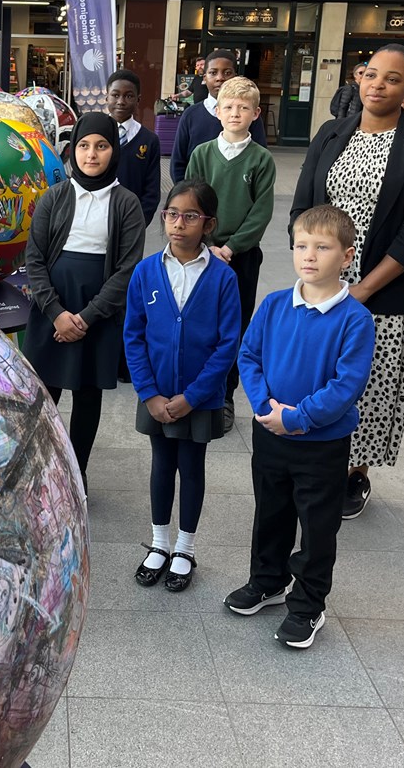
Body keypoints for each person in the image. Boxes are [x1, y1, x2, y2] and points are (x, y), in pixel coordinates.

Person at [290, 43, 404, 520]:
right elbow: (302, 207)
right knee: (317, 375)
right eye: (371, 74)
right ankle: (318, 462)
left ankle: (355, 473)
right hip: (320, 286)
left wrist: (359, 291)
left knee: (369, 382)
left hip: (380, 291)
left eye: (392, 78)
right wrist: (313, 264)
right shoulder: (331, 132)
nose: (378, 85)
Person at [227, 205, 375, 648]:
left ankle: (309, 604)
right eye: (300, 245)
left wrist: (296, 418)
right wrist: (264, 405)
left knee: (317, 525)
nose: (308, 255)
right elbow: (249, 356)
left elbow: (346, 385)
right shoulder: (274, 305)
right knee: (270, 513)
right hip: (270, 434)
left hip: (321, 444)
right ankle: (267, 581)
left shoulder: (354, 319)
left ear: (346, 256)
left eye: (322, 247)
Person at [125, 180, 241, 593]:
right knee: (161, 463)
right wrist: (149, 393)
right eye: (172, 214)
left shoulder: (223, 278)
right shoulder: (146, 271)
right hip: (155, 393)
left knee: (191, 468)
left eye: (190, 216)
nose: (178, 223)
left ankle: (185, 549)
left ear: (208, 224)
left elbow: (229, 343)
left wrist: (192, 397)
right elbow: (133, 335)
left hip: (200, 398)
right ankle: (158, 543)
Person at [23, 112, 146, 491]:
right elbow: (35, 259)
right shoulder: (55, 197)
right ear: (73, 149)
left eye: (102, 146)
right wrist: (58, 314)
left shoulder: (126, 204)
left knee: (88, 396)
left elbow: (126, 270)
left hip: (97, 311)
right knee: (44, 395)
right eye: (84, 146)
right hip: (52, 308)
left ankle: (77, 475)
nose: (91, 154)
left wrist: (86, 318)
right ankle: (37, 470)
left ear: (114, 151)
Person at [185, 77, 277, 426]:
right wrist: (207, 244)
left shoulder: (261, 160)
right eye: (228, 107)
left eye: (243, 108)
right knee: (197, 321)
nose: (235, 113)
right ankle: (196, 391)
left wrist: (231, 247)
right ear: (218, 111)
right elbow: (189, 201)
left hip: (241, 257)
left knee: (232, 328)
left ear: (255, 113)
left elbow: (261, 211)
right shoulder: (202, 154)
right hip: (200, 253)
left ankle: (224, 396)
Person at [170, 50, 266, 183]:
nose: (220, 78)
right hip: (196, 197)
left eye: (227, 73)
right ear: (204, 78)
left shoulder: (248, 115)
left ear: (235, 76)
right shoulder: (190, 115)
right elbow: (178, 162)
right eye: (213, 73)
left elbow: (260, 161)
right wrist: (186, 195)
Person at [105, 68, 161, 226]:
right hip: (96, 220)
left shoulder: (149, 140)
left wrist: (139, 223)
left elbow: (152, 191)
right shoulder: (95, 135)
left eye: (128, 96)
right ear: (106, 97)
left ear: (138, 100)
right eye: (115, 95)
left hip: (132, 221)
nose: (121, 101)